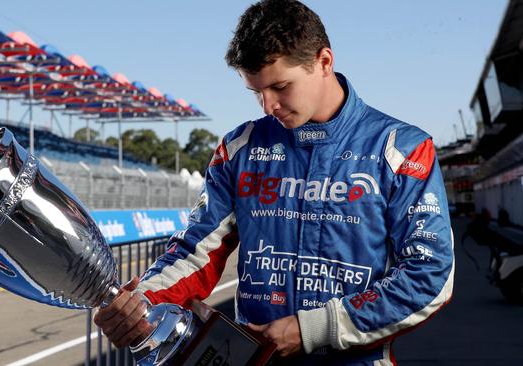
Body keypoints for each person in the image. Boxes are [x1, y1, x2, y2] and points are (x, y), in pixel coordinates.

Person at [94, 0, 455, 364]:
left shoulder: (402, 149)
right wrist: (141, 299)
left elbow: (429, 275)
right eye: (256, 92)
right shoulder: (240, 149)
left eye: (281, 86)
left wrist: (314, 328)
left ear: (324, 62)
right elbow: (196, 250)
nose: (268, 106)